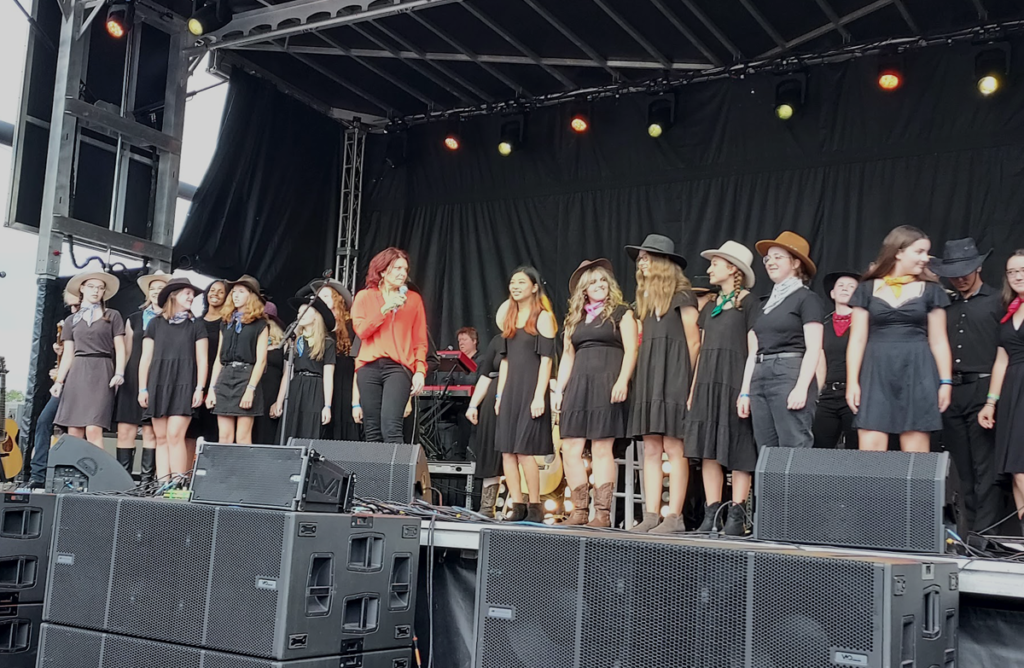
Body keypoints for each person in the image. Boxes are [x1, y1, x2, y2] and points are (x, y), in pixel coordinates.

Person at [846, 226, 952, 453]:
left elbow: (939, 341)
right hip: (876, 370)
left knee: (916, 458)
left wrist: (945, 382)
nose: (926, 259)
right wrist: (853, 381)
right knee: (871, 451)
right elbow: (857, 340)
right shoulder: (866, 290)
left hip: (918, 369)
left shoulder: (932, 291)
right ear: (898, 252)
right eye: (920, 252)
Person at [553, 259, 637, 527]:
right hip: (579, 384)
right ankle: (579, 511)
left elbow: (632, 350)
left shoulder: (622, 313)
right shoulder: (574, 319)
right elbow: (568, 356)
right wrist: (559, 389)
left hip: (607, 382)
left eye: (603, 280)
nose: (599, 285)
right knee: (570, 447)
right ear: (583, 289)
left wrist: (623, 380)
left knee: (602, 448)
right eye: (592, 282)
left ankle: (601, 513)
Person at [625, 234, 700, 534]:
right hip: (650, 379)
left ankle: (675, 516)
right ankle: (651, 514)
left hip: (676, 377)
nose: (641, 263)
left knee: (674, 447)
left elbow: (695, 343)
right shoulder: (643, 303)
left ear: (662, 263)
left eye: (646, 257)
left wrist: (692, 385)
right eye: (640, 258)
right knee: (651, 448)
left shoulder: (683, 297)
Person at [685, 241, 758, 535]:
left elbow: (754, 349)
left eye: (714, 264)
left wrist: (746, 390)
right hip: (707, 383)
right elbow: (702, 351)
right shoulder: (711, 305)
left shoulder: (750, 303)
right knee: (708, 450)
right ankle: (712, 511)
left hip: (734, 381)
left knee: (739, 447)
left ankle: (737, 514)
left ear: (732, 268)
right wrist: (693, 389)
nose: (709, 269)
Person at [932, 238, 1005, 533]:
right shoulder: (943, 305)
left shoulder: (997, 301)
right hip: (951, 389)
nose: (961, 277)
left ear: (978, 267)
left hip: (984, 387)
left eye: (966, 270)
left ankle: (985, 534)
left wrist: (994, 397)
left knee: (985, 465)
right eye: (954, 272)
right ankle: (966, 531)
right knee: (960, 467)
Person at [739, 231, 823, 454]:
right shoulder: (765, 305)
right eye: (768, 258)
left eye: (778, 257)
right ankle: (770, 491)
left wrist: (801, 387)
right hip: (761, 373)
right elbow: (753, 352)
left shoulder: (807, 299)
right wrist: (745, 391)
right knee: (766, 449)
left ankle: (796, 490)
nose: (770, 262)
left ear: (796, 263)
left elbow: (814, 348)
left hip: (789, 372)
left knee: (793, 444)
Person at [494, 267, 557, 523]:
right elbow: (506, 361)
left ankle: (534, 505)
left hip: (531, 389)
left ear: (534, 287)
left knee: (524, 451)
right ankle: (516, 504)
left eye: (521, 282)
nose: (515, 286)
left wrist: (539, 396)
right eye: (512, 282)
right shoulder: (509, 317)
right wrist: (499, 396)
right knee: (507, 451)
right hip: (511, 391)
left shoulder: (542, 317)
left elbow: (546, 361)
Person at [350, 248, 428, 443]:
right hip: (368, 367)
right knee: (372, 430)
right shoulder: (364, 297)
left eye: (405, 269)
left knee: (391, 427)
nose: (403, 273)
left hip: (398, 368)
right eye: (397, 268)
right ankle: (374, 474)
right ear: (383, 271)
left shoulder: (413, 300)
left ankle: (397, 474)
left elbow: (420, 341)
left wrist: (420, 370)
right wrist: (385, 308)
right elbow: (362, 331)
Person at [138, 278, 208, 478]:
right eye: (187, 293)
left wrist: (199, 388)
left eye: (192, 294)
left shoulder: (196, 325)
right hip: (158, 383)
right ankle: (162, 483)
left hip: (184, 383)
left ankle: (177, 483)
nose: (191, 297)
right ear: (174, 295)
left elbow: (202, 360)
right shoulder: (155, 323)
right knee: (160, 437)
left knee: (176, 435)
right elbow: (145, 358)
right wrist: (143, 388)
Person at [52, 270, 126, 448]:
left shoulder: (112, 315)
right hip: (77, 371)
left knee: (94, 428)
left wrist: (119, 372)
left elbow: (121, 347)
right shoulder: (71, 320)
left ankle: (98, 474)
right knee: (74, 430)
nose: (96, 291)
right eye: (92, 287)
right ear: (82, 288)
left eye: (100, 288)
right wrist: (59, 381)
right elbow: (69, 353)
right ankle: (74, 474)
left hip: (101, 370)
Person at [979, 249, 1024, 534]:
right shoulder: (1009, 311)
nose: (1018, 276)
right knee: (1015, 470)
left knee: (1022, 468)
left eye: (1022, 270)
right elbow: (1002, 359)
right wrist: (990, 403)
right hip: (1012, 392)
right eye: (1012, 272)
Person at [112, 273, 170, 482]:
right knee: (125, 431)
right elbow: (126, 352)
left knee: (150, 432)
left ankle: (146, 483)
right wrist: (120, 376)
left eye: (160, 288)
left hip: (158, 377)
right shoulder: (134, 319)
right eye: (152, 288)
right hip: (132, 376)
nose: (156, 292)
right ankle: (122, 480)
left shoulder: (173, 319)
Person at [206, 275, 269, 444]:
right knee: (224, 436)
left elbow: (261, 361)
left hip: (246, 376)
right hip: (225, 375)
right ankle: (223, 471)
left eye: (241, 291)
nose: (235, 295)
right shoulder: (225, 322)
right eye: (234, 291)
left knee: (243, 436)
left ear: (251, 296)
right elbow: (219, 359)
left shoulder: (260, 324)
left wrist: (251, 388)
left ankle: (241, 470)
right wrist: (212, 388)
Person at [26, 292, 79, 488]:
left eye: (77, 306)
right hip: (65, 385)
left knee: (77, 429)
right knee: (44, 421)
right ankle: (38, 474)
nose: (73, 310)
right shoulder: (69, 324)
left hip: (85, 383)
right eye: (71, 307)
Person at [274, 296, 337, 440]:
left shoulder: (327, 343)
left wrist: (327, 406)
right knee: (290, 426)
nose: (299, 315)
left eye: (305, 311)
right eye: (299, 312)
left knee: (309, 427)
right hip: (296, 386)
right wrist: (279, 400)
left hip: (315, 387)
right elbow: (287, 373)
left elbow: (328, 376)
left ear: (316, 316)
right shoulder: (295, 341)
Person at [812, 271, 860, 449]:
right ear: (832, 293)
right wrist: (817, 394)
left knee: (856, 450)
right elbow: (819, 361)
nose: (845, 289)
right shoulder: (822, 325)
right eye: (840, 285)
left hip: (856, 395)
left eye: (851, 286)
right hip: (828, 396)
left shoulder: (865, 324)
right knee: (818, 448)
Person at [312, 279, 360, 442]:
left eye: (326, 296)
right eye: (319, 297)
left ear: (337, 299)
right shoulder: (318, 326)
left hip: (346, 383)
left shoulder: (351, 325)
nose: (322, 300)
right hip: (325, 383)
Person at [465, 334, 505, 517]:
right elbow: (485, 376)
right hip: (493, 397)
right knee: (490, 449)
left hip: (520, 393)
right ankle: (487, 506)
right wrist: (473, 405)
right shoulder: (497, 340)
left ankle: (525, 504)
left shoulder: (534, 337)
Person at [194, 279, 228, 442]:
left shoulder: (226, 323)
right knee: (190, 432)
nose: (215, 294)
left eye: (221, 291)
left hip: (217, 379)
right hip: (195, 379)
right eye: (212, 290)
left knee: (213, 432)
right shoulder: (195, 322)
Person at [254, 302, 286, 445]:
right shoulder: (252, 340)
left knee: (268, 432)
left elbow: (287, 373)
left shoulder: (284, 345)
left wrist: (279, 401)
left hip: (272, 392)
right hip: (254, 390)